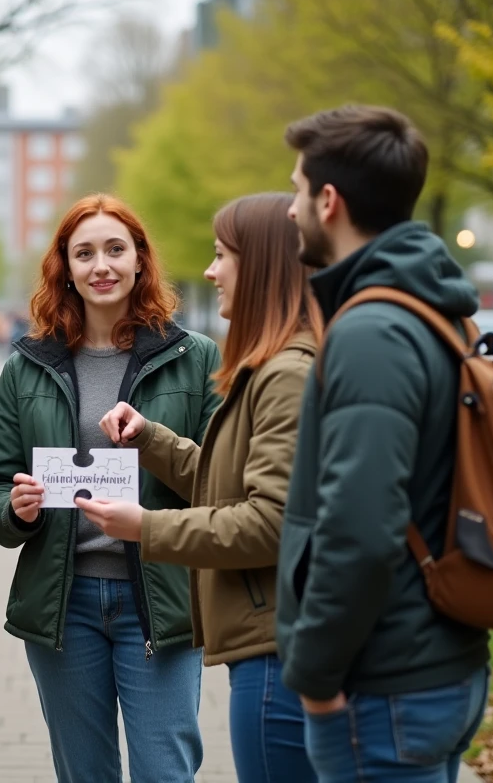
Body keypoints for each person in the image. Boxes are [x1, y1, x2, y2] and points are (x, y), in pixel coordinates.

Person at [274, 105, 491, 782]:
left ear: (329, 201)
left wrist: (314, 674)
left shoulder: (374, 332)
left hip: (383, 685)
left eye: (297, 190)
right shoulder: (434, 307)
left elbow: (360, 526)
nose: (290, 210)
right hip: (435, 661)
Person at [0, 193, 221, 783]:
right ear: (65, 268)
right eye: (83, 253)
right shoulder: (26, 367)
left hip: (159, 600)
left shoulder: (196, 358)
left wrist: (155, 444)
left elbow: (222, 485)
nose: (101, 265)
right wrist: (19, 509)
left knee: (166, 771)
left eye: (116, 249)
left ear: (140, 260)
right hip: (65, 604)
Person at [83, 193, 323, 783]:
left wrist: (147, 528)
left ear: (263, 265)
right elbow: (229, 483)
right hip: (269, 638)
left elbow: (269, 521)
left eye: (222, 255)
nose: (211, 271)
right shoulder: (273, 364)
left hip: (274, 643)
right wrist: (153, 440)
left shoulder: (285, 374)